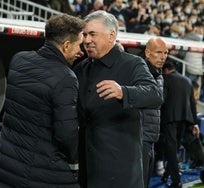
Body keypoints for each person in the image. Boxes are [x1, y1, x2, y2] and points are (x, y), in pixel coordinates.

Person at [0, 14, 85, 187]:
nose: (81, 51)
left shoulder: (19, 59)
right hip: (37, 173)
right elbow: (66, 135)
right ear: (66, 46)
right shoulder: (66, 78)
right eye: (78, 45)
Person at [73, 10, 163, 188]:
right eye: (84, 34)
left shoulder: (132, 63)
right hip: (87, 166)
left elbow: (155, 95)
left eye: (92, 34)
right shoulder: (81, 68)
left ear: (111, 35)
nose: (86, 40)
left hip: (120, 169)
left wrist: (124, 92)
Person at [160, 62, 199, 188]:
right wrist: (194, 123)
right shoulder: (187, 80)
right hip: (184, 119)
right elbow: (193, 103)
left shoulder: (165, 79)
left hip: (170, 119)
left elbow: (162, 100)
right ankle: (166, 175)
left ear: (165, 70)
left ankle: (176, 181)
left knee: (171, 150)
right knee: (174, 149)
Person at [141, 37, 168, 188]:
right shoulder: (138, 71)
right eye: (158, 52)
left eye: (165, 53)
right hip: (139, 137)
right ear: (148, 52)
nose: (163, 56)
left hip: (151, 137)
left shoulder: (159, 75)